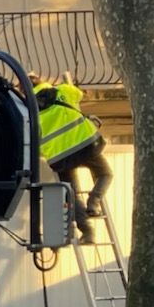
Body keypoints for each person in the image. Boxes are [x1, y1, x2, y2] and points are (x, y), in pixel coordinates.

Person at [33, 75, 112, 244]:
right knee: (105, 174)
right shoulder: (61, 91)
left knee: (71, 193)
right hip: (85, 144)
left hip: (60, 157)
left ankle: (87, 232)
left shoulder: (29, 109)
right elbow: (79, 94)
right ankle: (94, 203)